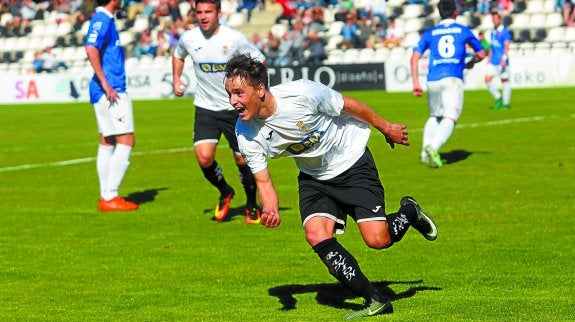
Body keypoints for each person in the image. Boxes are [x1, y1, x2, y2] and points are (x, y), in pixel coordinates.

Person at [224, 53, 438, 319]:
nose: (233, 101)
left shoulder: (302, 93)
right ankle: (375, 298)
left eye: (239, 93)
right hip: (314, 178)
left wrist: (386, 127)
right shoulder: (245, 132)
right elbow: (263, 179)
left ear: (260, 89)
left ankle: (409, 213)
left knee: (378, 240)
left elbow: (349, 105)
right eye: (229, 94)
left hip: (352, 162)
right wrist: (271, 209)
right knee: (316, 235)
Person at [172, 0, 265, 224]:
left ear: (219, 13)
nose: (203, 16)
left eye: (208, 12)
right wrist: (176, 78)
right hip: (205, 107)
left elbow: (260, 61)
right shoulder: (189, 38)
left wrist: (257, 92)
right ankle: (225, 192)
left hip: (234, 108)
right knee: (204, 158)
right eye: (199, 12)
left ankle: (251, 204)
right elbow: (178, 55)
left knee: (243, 160)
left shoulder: (233, 38)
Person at [410, 0, 486, 168]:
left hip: (433, 79)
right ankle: (433, 147)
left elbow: (414, 56)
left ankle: (424, 154)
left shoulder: (430, 32)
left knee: (435, 116)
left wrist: (416, 82)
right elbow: (481, 53)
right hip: (452, 78)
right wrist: (472, 62)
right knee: (451, 116)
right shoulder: (463, 30)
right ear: (455, 12)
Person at [85, 0, 138, 211]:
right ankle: (110, 195)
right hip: (112, 90)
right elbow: (91, 48)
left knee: (107, 140)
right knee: (126, 140)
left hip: (106, 89)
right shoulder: (102, 19)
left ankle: (105, 196)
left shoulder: (105, 19)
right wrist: (105, 83)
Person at [485, 10, 512, 110]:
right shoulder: (493, 31)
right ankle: (498, 98)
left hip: (502, 61)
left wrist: (504, 58)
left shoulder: (505, 31)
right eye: (493, 19)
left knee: (504, 80)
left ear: (500, 19)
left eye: (496, 18)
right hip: (493, 60)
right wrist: (489, 58)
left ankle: (506, 103)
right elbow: (492, 46)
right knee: (487, 79)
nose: (494, 20)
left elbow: (506, 45)